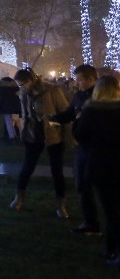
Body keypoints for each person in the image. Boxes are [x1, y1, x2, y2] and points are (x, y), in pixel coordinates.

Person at [72, 75, 120, 265]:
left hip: (100, 165)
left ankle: (113, 250)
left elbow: (80, 135)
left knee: (111, 211)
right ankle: (112, 248)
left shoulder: (91, 111)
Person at [10, 68, 69, 218]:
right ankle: (19, 197)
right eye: (19, 86)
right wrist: (24, 131)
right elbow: (25, 114)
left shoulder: (52, 90)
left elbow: (65, 112)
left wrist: (67, 134)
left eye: (22, 84)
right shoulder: (24, 94)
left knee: (57, 171)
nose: (21, 88)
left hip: (53, 135)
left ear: (31, 80)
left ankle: (60, 205)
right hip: (33, 134)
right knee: (27, 167)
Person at [51, 64, 100, 235]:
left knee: (103, 187)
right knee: (82, 184)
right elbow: (71, 113)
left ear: (91, 79)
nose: (77, 83)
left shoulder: (99, 96)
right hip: (83, 147)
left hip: (98, 148)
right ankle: (91, 222)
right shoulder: (79, 96)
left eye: (79, 80)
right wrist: (55, 119)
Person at [0, 77, 22, 143]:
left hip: (6, 108)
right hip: (15, 107)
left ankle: (12, 137)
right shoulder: (16, 88)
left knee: (8, 123)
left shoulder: (2, 89)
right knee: (17, 122)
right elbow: (19, 97)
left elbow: (0, 99)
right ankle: (21, 136)